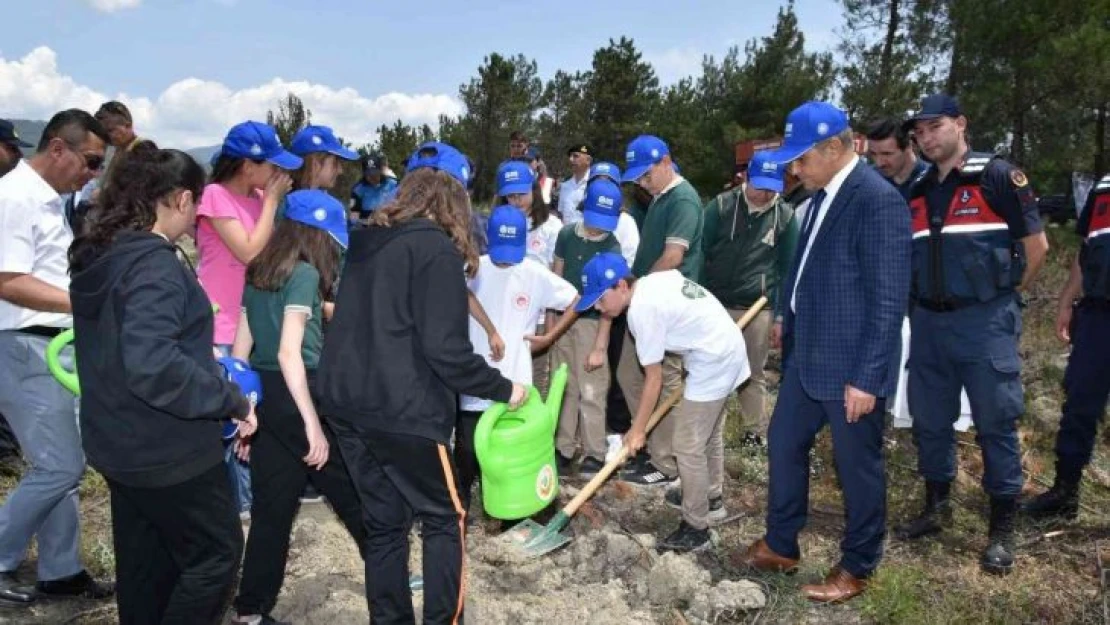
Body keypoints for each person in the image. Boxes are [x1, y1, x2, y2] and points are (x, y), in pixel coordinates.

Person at [317, 142, 527, 624]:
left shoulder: (368, 240)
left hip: (346, 404)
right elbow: (446, 351)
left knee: (385, 523)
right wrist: (504, 388)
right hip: (402, 409)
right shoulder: (435, 250)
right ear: (454, 199)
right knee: (444, 519)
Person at [68, 148, 256, 625]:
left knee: (146, 564)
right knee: (216, 555)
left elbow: (128, 342)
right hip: (166, 448)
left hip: (116, 441)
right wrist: (230, 400)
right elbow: (153, 366)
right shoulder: (153, 265)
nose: (194, 222)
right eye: (194, 209)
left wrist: (198, 354)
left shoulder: (102, 252)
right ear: (181, 199)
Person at [737, 101, 910, 603]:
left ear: (835, 148)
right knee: (783, 442)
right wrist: (788, 314)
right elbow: (806, 264)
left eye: (801, 158)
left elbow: (886, 299)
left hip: (851, 367)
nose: (794, 169)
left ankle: (857, 566)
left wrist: (868, 377)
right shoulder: (820, 196)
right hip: (808, 358)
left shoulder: (875, 200)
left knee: (857, 468)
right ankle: (781, 543)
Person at [896, 94, 1049, 576]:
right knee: (930, 419)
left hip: (983, 323)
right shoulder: (917, 188)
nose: (925, 136)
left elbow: (1037, 246)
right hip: (928, 324)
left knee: (995, 421)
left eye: (934, 125)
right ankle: (936, 507)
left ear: (960, 124)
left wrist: (1003, 296)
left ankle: (1002, 528)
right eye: (918, 130)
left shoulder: (999, 176)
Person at [230, 190, 366, 625]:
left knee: (272, 509)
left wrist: (245, 415)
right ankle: (389, 565)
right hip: (300, 392)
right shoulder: (304, 274)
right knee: (353, 491)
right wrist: (314, 426)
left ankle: (251, 609)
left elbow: (240, 353)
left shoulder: (258, 271)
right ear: (316, 236)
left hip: (266, 396)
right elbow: (291, 354)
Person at [0, 109, 113, 607]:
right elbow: (8, 279)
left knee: (60, 464)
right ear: (58, 148)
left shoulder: (46, 202)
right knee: (60, 468)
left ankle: (61, 570)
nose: (92, 175)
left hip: (51, 347)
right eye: (89, 162)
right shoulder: (15, 198)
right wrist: (83, 301)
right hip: (25, 344)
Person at [581, 252, 749, 551]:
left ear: (621, 286)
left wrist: (638, 429)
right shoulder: (651, 282)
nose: (598, 307)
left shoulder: (641, 312)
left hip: (714, 358)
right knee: (706, 436)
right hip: (722, 346)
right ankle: (711, 497)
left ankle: (696, 528)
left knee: (687, 445)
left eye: (600, 299)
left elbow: (654, 379)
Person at [197, 121, 300, 520]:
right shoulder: (215, 197)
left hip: (254, 322)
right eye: (269, 165)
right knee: (229, 421)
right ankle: (233, 511)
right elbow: (251, 255)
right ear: (246, 165)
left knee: (252, 417)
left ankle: (247, 506)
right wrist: (272, 202)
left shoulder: (259, 196)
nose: (276, 174)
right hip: (221, 326)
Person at [456, 206, 579, 509]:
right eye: (500, 249)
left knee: (510, 456)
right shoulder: (474, 269)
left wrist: (550, 336)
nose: (506, 257)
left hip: (516, 383)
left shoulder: (534, 273)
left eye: (513, 250)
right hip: (474, 380)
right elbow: (457, 296)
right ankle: (460, 510)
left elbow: (575, 299)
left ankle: (509, 512)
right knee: (469, 453)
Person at [617, 134, 704, 486]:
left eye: (646, 174)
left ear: (666, 161)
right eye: (637, 177)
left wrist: (638, 287)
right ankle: (648, 442)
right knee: (629, 371)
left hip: (668, 306)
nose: (642, 182)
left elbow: (673, 257)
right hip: (647, 302)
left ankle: (665, 463)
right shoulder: (658, 198)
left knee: (665, 380)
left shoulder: (683, 199)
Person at [1022, 173, 1110, 521]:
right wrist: (1065, 302)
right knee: (1079, 405)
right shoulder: (1103, 186)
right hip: (1098, 316)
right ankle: (1064, 491)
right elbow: (1085, 250)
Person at [702, 150, 799, 446]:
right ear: (745, 177)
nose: (765, 193)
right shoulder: (720, 206)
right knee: (706, 367)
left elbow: (788, 269)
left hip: (758, 307)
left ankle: (754, 433)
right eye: (760, 185)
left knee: (752, 373)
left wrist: (780, 315)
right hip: (715, 304)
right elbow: (701, 251)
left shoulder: (784, 216)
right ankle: (705, 428)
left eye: (771, 187)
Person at [551, 180, 624, 475]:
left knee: (591, 389)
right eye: (594, 220)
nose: (598, 229)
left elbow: (611, 305)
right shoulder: (567, 235)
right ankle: (563, 447)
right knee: (564, 385)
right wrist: (553, 323)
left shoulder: (612, 245)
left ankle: (594, 450)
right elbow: (555, 279)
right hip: (564, 320)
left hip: (593, 324)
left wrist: (600, 345)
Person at [585, 161, 640, 267]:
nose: (602, 188)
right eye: (597, 182)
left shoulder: (626, 221)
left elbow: (630, 259)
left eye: (608, 183)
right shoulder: (578, 215)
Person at [865, 118, 928, 199]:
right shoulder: (869, 179)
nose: (879, 163)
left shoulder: (932, 180)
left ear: (908, 147)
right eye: (873, 154)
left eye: (887, 154)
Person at [349, 153, 398, 223]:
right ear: (364, 173)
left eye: (375, 173)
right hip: (367, 228)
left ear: (381, 171)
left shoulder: (393, 184)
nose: (372, 177)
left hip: (391, 224)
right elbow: (354, 214)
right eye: (368, 174)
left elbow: (400, 206)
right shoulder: (358, 190)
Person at [557, 143, 593, 225]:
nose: (570, 159)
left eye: (575, 156)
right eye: (570, 156)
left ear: (588, 160)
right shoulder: (565, 185)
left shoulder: (594, 185)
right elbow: (561, 214)